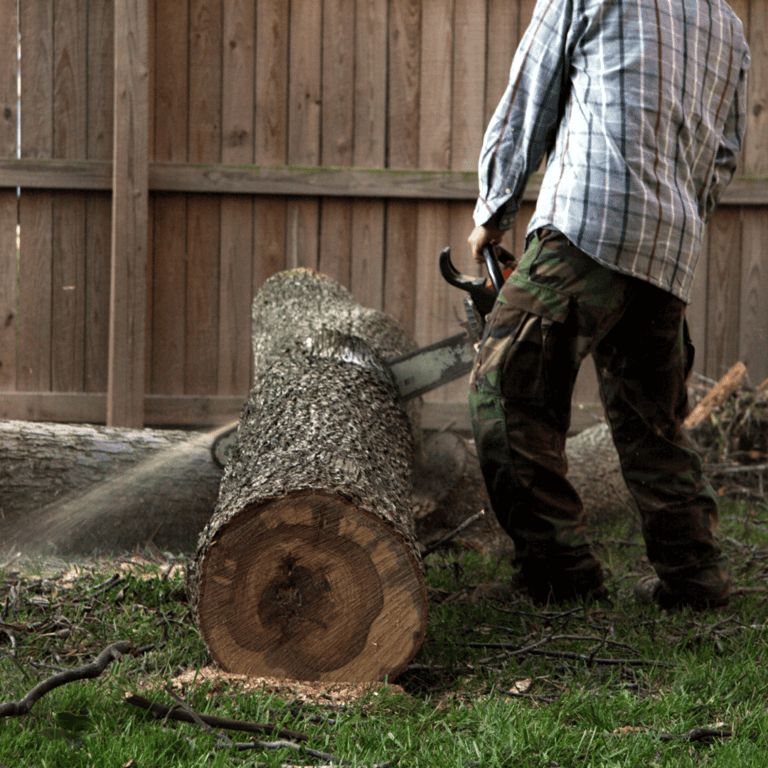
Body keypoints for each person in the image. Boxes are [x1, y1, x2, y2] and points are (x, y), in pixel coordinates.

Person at [467, 0, 749, 609]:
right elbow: (724, 154)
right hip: (669, 252)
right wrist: (675, 220)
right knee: (654, 425)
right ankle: (695, 578)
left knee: (504, 392)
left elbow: (529, 97)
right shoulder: (727, 23)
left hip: (587, 225)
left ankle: (560, 574)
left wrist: (493, 212)